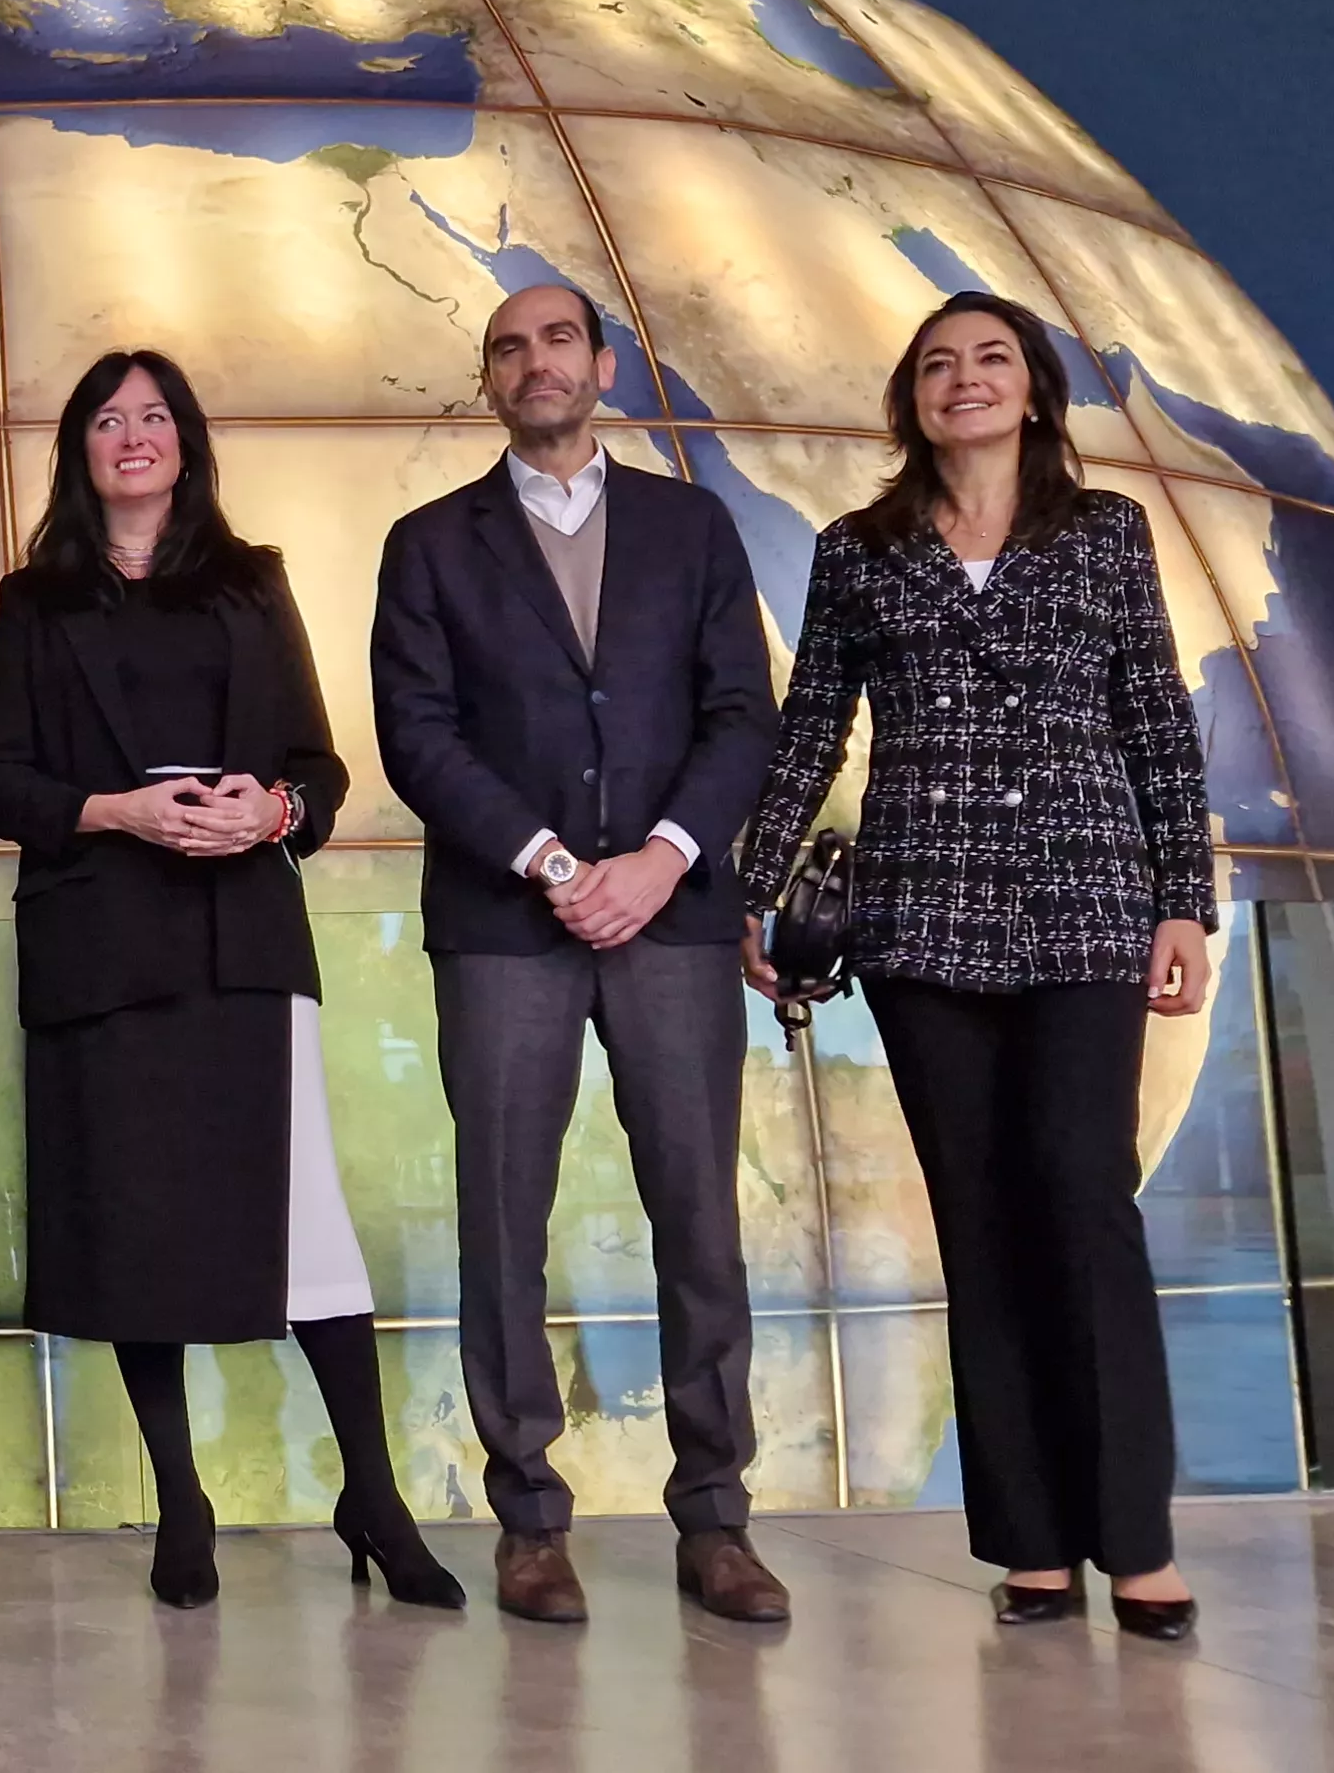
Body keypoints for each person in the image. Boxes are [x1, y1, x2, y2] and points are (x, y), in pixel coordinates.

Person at [741, 290, 1214, 1643]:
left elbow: (1158, 728)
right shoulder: (861, 551)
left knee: (1084, 1198)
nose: (966, 380)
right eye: (939, 365)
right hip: (921, 925)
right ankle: (1032, 1545)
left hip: (1086, 916)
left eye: (991, 358)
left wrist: (1185, 903)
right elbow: (810, 733)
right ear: (909, 400)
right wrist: (749, 894)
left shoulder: (1108, 535)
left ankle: (1136, 1540)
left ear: (1035, 390)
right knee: (983, 1223)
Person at [0, 350, 455, 1612]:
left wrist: (272, 806)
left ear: (186, 441)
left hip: (240, 935)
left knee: (302, 1227)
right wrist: (117, 810)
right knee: (137, 1231)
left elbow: (320, 767)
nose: (133, 436)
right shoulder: (34, 601)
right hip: (102, 945)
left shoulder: (253, 584)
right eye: (108, 420)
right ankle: (180, 1499)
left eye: (155, 417)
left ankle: (373, 1496)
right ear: (79, 449)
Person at [369, 283, 786, 1625]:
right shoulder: (429, 545)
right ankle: (528, 1523)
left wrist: (661, 858)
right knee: (503, 1223)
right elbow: (419, 738)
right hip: (506, 925)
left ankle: (716, 1518)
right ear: (488, 380)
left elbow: (742, 717)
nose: (534, 362)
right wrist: (553, 863)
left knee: (698, 1219)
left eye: (557, 339)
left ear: (602, 364)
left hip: (674, 915)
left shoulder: (694, 526)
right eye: (508, 346)